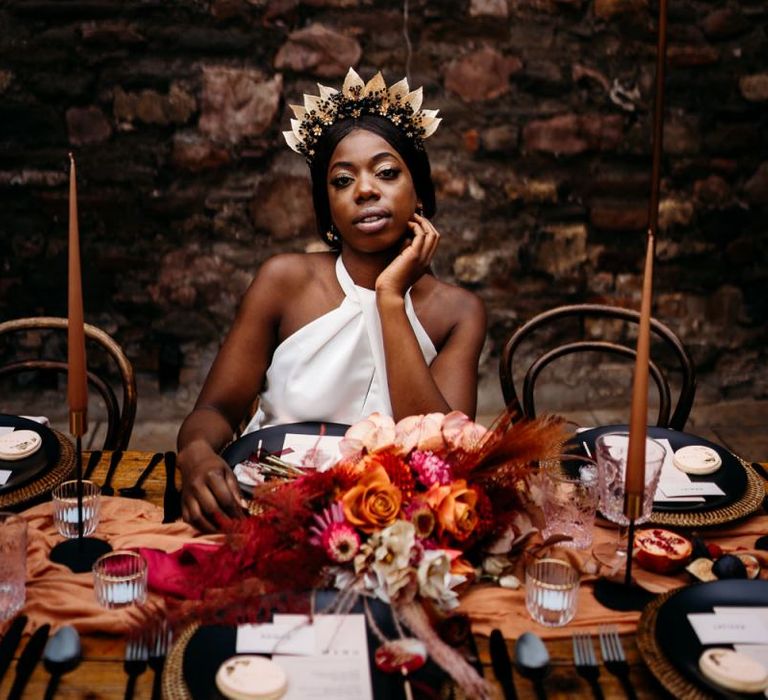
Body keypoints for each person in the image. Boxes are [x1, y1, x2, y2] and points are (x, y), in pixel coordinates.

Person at [177, 68, 487, 532]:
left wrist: (389, 299)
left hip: (389, 527)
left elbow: (441, 454)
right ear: (328, 211)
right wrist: (197, 456)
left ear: (419, 193)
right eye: (342, 181)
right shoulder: (284, 281)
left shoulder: (459, 313)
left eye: (385, 173)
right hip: (265, 507)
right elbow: (216, 411)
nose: (364, 190)